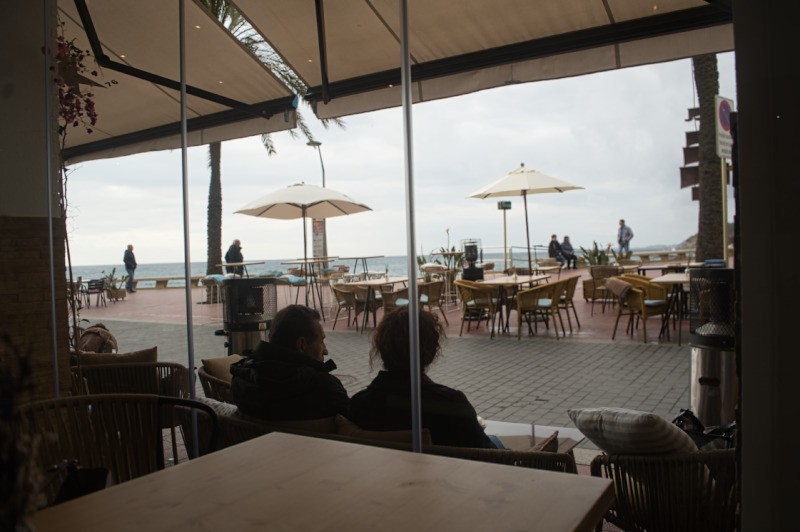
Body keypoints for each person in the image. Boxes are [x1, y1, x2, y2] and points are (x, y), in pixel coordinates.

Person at [349, 307, 498, 448]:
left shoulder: (359, 406)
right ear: (432, 352)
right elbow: (490, 455)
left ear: (381, 348)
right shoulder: (452, 405)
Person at [230, 305, 349, 421]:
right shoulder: (326, 390)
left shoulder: (241, 381)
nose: (326, 351)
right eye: (321, 341)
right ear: (302, 345)